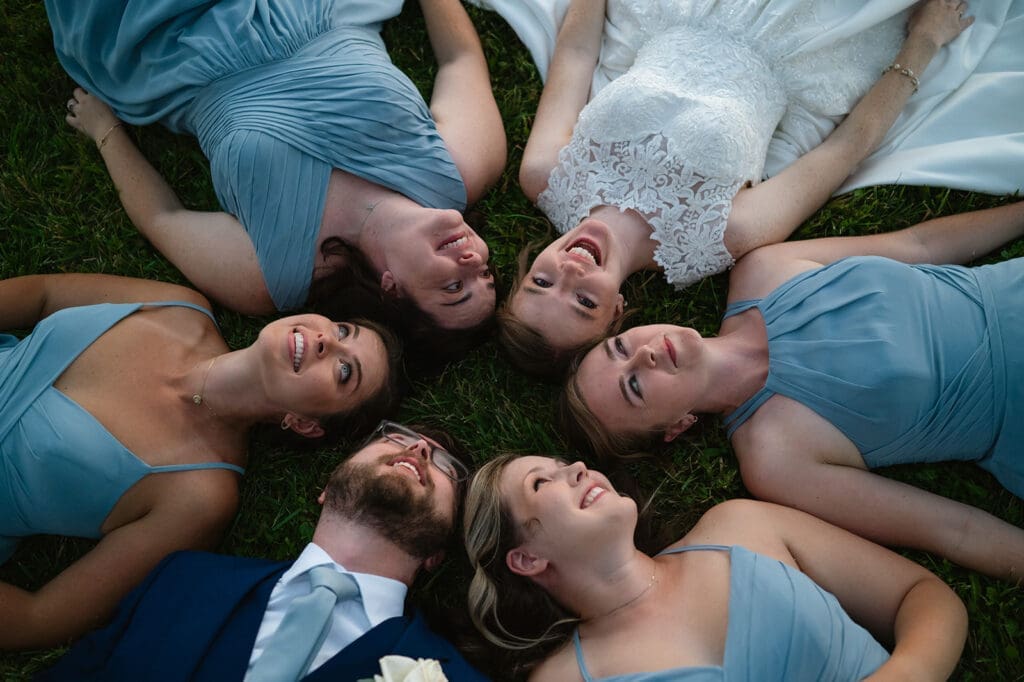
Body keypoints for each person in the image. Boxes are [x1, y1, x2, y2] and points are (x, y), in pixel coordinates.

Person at [496, 0, 1003, 375]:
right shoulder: (714, 239)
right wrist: (925, 42)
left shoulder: (544, 176)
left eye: (541, 282)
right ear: (616, 314)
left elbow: (576, 53)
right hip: (806, 43)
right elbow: (842, 152)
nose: (571, 271)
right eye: (584, 302)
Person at [563, 199, 1024, 582]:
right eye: (634, 386)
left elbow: (919, 245)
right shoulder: (774, 461)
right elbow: (952, 529)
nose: (643, 354)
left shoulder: (763, 269)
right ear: (676, 427)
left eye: (620, 347)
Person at [48, 0, 506, 356]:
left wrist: (104, 130)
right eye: (485, 273)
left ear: (393, 290)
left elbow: (161, 217)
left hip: (181, 45)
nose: (472, 260)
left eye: (454, 288)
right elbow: (460, 60)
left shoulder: (271, 276)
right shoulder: (462, 167)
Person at [0, 273, 400, 650]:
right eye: (342, 330)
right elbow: (44, 294)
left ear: (306, 425)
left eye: (344, 371)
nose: (326, 340)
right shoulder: (180, 306)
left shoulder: (200, 494)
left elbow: (41, 617)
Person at [38, 421, 488, 681]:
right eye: (394, 437)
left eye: (446, 467)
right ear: (327, 488)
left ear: (437, 553)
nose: (419, 448)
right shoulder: (184, 578)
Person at [463, 454, 967, 680]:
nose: (576, 468)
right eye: (540, 483)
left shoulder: (739, 526)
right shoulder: (566, 679)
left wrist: (907, 673)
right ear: (527, 559)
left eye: (562, 462)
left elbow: (922, 596)